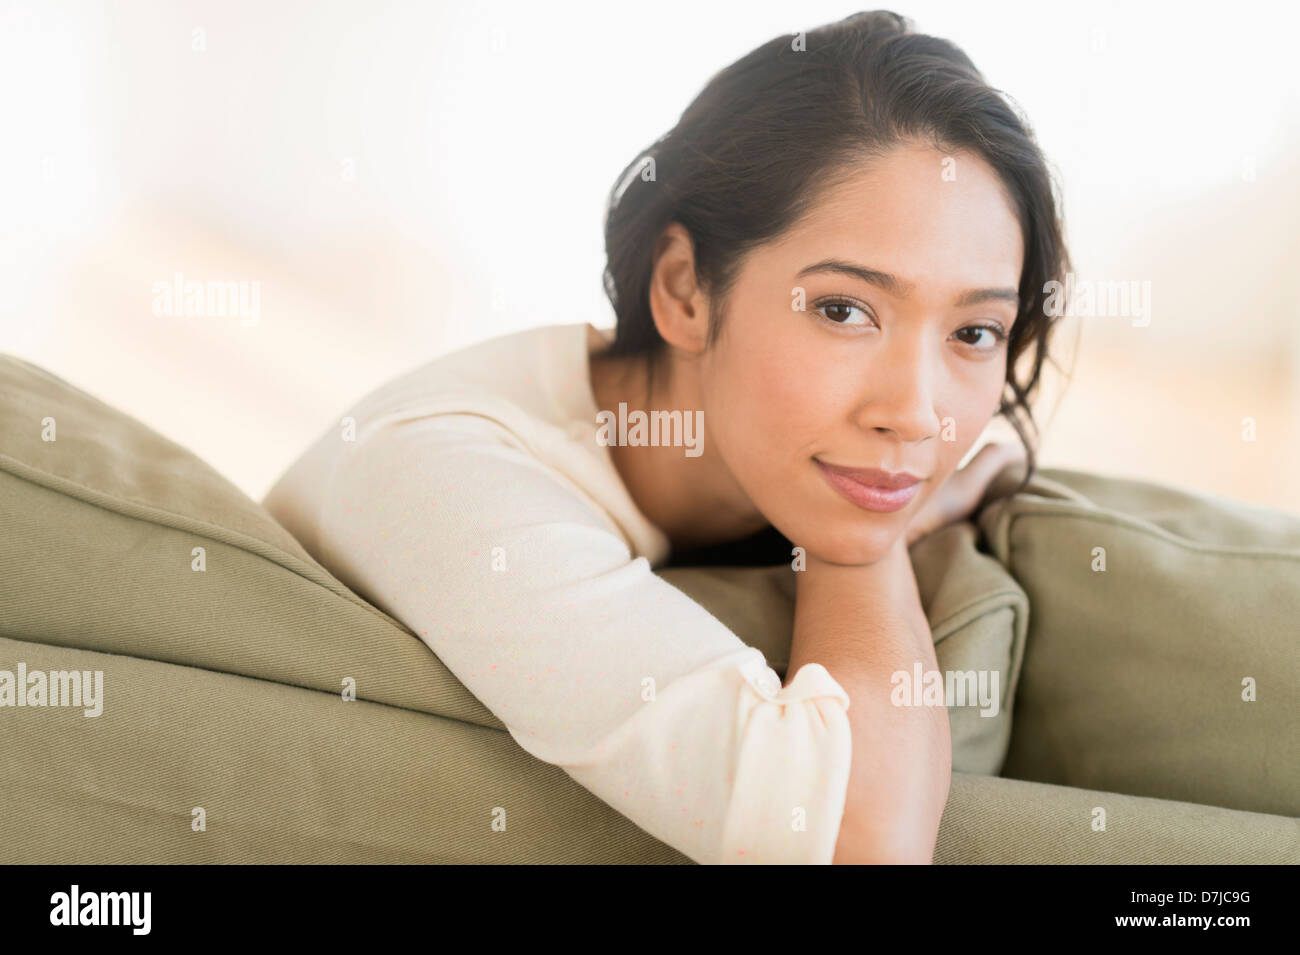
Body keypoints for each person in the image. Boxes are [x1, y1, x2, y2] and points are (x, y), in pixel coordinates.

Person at [263, 9, 1066, 864]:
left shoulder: (760, 456)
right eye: (842, 310)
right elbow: (855, 840)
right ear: (684, 288)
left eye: (974, 333)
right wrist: (868, 541)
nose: (915, 412)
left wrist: (867, 504)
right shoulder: (443, 468)